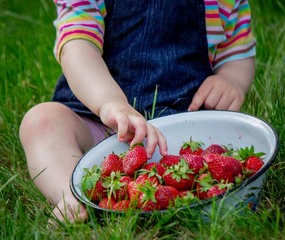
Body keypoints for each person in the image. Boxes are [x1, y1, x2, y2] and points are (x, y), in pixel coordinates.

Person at [19, 0, 256, 223]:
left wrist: (231, 79)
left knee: (236, 137)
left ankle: (178, 192)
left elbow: (237, 51)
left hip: (181, 135)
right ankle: (73, 194)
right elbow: (77, 45)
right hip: (99, 122)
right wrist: (108, 102)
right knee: (41, 122)